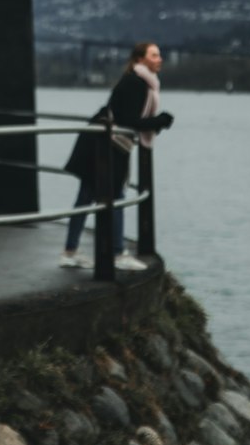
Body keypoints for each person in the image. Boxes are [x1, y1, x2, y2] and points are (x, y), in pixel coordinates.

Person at [60, 41, 174, 272]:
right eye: (154, 55)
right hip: (105, 146)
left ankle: (70, 252)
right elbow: (127, 120)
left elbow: (126, 118)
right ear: (139, 59)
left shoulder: (140, 82)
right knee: (115, 197)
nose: (159, 59)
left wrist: (157, 121)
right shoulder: (136, 83)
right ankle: (116, 254)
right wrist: (160, 120)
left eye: (159, 55)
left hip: (102, 143)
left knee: (88, 197)